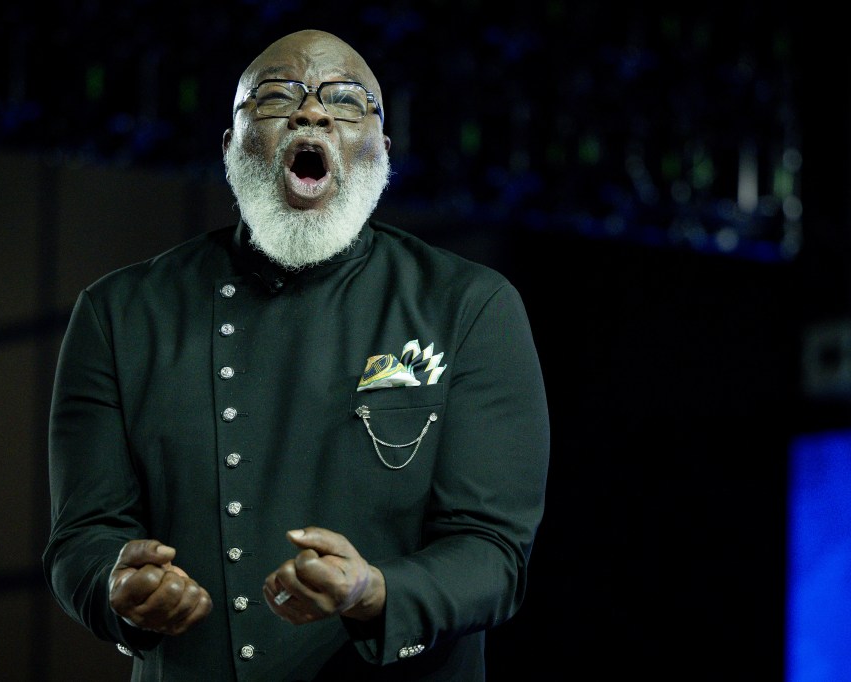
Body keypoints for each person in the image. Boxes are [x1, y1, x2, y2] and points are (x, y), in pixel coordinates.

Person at [43, 28, 550, 681]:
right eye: (276, 97)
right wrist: (118, 587)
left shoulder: (469, 306)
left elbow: (495, 554)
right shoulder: (119, 314)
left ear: (383, 150)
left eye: (345, 102)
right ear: (230, 146)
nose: (311, 112)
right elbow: (81, 539)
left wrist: (372, 591)